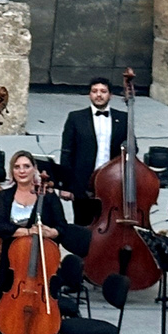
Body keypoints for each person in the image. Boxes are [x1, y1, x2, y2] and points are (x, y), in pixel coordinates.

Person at [0, 150, 68, 334]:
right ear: (12, 171)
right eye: (17, 167)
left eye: (26, 166)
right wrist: (23, 231)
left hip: (42, 265)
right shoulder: (5, 196)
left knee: (42, 312)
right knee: (9, 312)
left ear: (34, 169)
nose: (21, 170)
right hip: (14, 266)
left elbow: (62, 227)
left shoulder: (48, 197)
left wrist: (51, 232)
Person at [57, 76, 127, 225]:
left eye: (103, 91)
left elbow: (132, 148)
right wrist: (66, 185)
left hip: (112, 183)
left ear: (110, 95)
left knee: (109, 225)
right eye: (94, 91)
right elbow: (67, 152)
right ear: (90, 94)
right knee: (82, 225)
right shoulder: (76, 117)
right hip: (83, 183)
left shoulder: (123, 118)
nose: (99, 95)